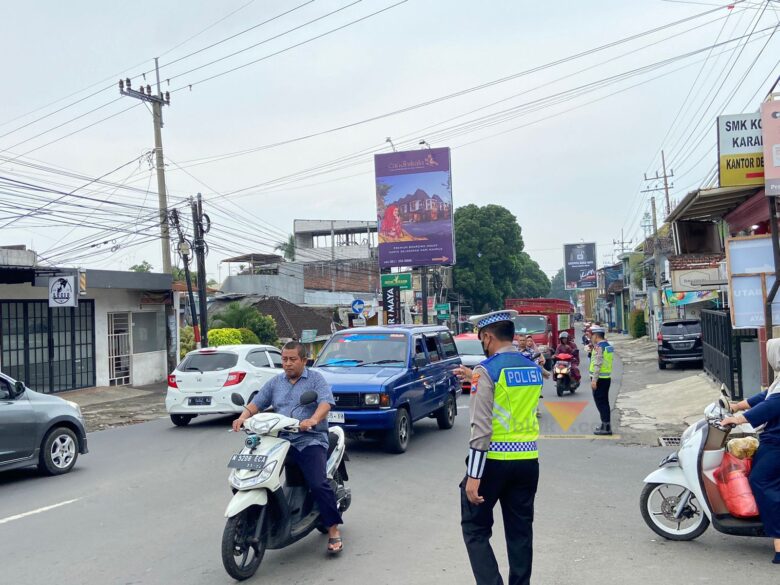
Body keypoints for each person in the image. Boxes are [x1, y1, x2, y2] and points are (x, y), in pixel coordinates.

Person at [453, 310, 542, 585]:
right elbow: (510, 398)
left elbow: (481, 429)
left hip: (492, 462)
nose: (482, 344)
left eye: (482, 339)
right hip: (528, 460)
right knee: (520, 532)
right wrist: (475, 376)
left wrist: (474, 475)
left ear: (488, 337)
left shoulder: (486, 371)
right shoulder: (531, 367)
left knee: (475, 528)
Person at [231, 341, 344, 554]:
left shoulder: (316, 379)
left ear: (304, 360)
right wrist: (243, 417)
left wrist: (313, 419)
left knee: (318, 483)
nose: (288, 363)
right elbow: (258, 402)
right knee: (250, 473)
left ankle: (333, 530)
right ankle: (258, 517)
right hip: (278, 440)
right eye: (284, 359)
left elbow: (325, 403)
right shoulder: (276, 382)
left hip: (309, 439)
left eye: (293, 359)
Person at [721, 338, 780, 564]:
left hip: (777, 444)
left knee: (761, 481)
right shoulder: (778, 382)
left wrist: (737, 419)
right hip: (773, 441)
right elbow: (764, 397)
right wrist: (735, 406)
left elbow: (770, 406)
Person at [588, 325, 614, 436]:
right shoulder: (608, 346)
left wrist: (594, 380)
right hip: (606, 378)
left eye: (592, 335)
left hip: (599, 379)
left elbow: (598, 364)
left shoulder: (599, 348)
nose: (591, 338)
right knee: (604, 403)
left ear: (596, 336)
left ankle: (606, 428)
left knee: (601, 404)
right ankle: (605, 425)